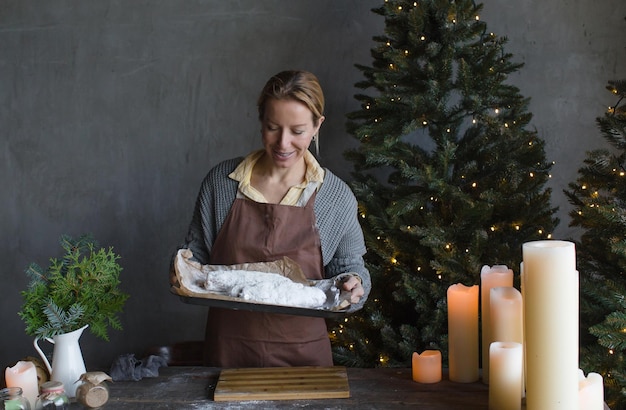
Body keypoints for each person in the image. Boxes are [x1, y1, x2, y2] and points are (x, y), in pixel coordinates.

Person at [178, 70, 371, 368]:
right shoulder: (221, 183)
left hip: (305, 360)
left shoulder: (336, 196)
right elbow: (197, 258)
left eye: (298, 131)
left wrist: (355, 283)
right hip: (228, 352)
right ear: (260, 121)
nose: (283, 143)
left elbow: (350, 267)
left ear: (317, 125)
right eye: (272, 127)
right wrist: (182, 265)